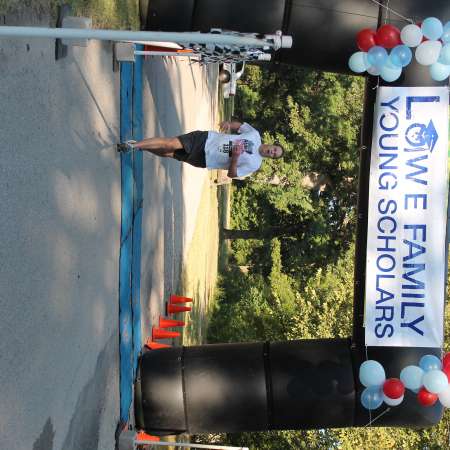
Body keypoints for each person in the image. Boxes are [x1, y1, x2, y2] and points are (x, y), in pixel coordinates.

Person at [117, 118, 283, 178]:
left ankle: (140, 147)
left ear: (271, 158)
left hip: (206, 160)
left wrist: (236, 158)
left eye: (274, 155)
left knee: (168, 152)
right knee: (170, 143)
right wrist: (229, 124)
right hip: (206, 139)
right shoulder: (254, 134)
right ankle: (134, 145)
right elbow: (240, 126)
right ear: (272, 144)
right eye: (275, 149)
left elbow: (233, 174)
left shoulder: (255, 164)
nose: (272, 152)